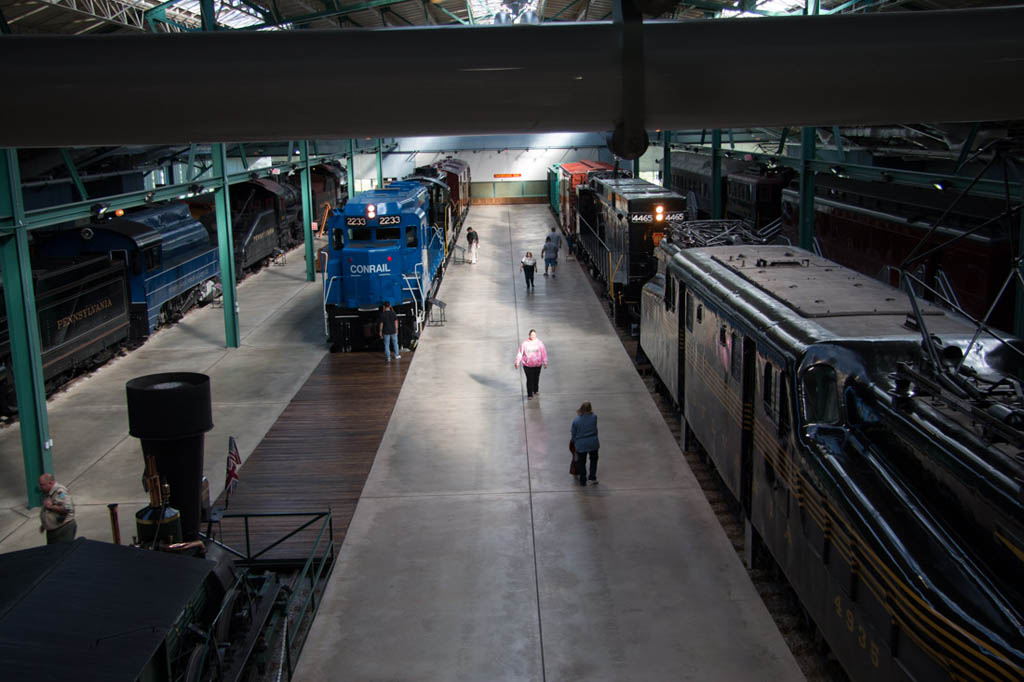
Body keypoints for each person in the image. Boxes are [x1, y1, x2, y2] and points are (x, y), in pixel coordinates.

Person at [38, 473, 76, 544]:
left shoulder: (61, 492)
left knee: (63, 552)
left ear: (50, 483)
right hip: (53, 530)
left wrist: (51, 507)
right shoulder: (48, 492)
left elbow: (68, 507)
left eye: (42, 485)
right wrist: (45, 524)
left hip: (63, 529)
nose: (40, 487)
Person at [571, 402, 600, 486]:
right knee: (594, 460)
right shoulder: (594, 417)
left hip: (581, 444)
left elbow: (573, 433)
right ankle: (592, 477)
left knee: (582, 462)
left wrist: (574, 441)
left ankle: (583, 480)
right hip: (593, 443)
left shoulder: (576, 420)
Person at [514, 329, 548, 400]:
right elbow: (520, 353)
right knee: (529, 379)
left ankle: (535, 390)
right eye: (532, 335)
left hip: (537, 364)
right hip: (527, 365)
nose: (533, 336)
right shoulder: (524, 343)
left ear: (536, 335)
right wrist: (517, 362)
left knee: (536, 378)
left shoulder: (539, 343)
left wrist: (545, 362)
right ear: (529, 335)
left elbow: (543, 353)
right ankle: (530, 394)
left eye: (534, 335)